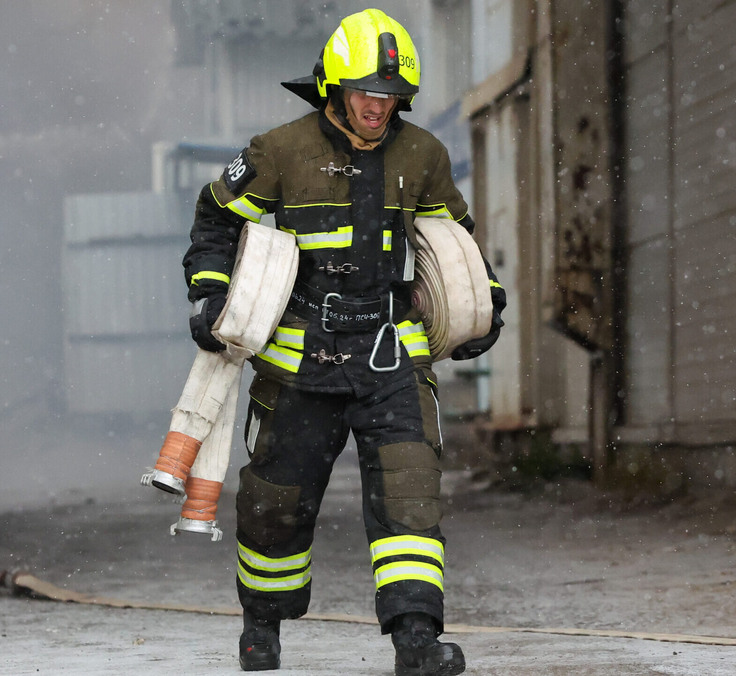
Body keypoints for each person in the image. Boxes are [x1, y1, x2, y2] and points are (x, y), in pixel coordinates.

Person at [182, 9, 505, 675]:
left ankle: (417, 642)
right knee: (276, 501)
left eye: (389, 97)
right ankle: (261, 628)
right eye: (364, 93)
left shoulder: (423, 156)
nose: (375, 108)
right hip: (299, 355)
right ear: (332, 87)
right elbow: (216, 215)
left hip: (392, 354)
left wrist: (485, 308)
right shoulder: (279, 150)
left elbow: (460, 245)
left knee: (410, 497)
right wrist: (210, 295)